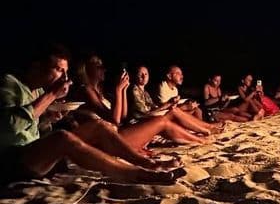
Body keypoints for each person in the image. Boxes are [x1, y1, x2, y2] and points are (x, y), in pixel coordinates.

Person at [0, 45, 183, 186]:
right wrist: (52, 95)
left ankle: (146, 163)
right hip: (13, 160)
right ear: (37, 66)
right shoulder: (9, 83)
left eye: (65, 72)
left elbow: (35, 129)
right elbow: (9, 126)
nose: (64, 78)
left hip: (35, 154)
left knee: (99, 126)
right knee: (62, 137)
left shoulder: (38, 90)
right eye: (59, 70)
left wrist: (49, 119)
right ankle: (133, 173)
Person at [75, 55, 213, 148]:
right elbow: (115, 120)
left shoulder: (100, 91)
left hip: (118, 133)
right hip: (110, 140)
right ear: (87, 69)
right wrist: (118, 90)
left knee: (165, 119)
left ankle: (202, 135)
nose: (103, 69)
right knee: (162, 121)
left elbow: (122, 116)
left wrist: (123, 90)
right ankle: (200, 138)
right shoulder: (86, 90)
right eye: (98, 67)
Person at [129, 65, 230, 129]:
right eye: (178, 73)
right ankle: (206, 127)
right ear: (169, 76)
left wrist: (182, 104)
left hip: (159, 115)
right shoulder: (160, 87)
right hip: (148, 121)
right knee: (179, 111)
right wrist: (177, 105)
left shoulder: (146, 92)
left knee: (194, 108)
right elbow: (152, 113)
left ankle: (204, 127)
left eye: (146, 74)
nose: (181, 76)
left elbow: (158, 108)